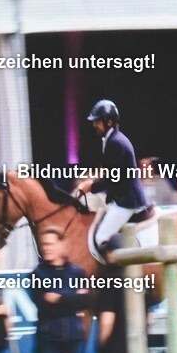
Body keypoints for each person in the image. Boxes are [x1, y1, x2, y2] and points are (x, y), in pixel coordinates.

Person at [75, 99, 149, 252]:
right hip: (120, 197)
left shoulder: (116, 142)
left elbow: (112, 178)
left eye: (97, 121)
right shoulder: (111, 139)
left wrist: (91, 186)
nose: (94, 125)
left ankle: (124, 263)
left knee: (100, 237)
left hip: (127, 201)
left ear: (108, 122)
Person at [30, 228, 91, 353]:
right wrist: (74, 298)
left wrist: (59, 298)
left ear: (62, 245)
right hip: (49, 340)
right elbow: (45, 307)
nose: (46, 248)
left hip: (75, 339)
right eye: (44, 244)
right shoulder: (37, 274)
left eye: (50, 244)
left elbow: (86, 301)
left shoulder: (77, 273)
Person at [96, 236, 129, 353]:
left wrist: (102, 345)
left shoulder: (109, 281)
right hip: (137, 350)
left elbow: (107, 321)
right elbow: (149, 318)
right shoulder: (140, 280)